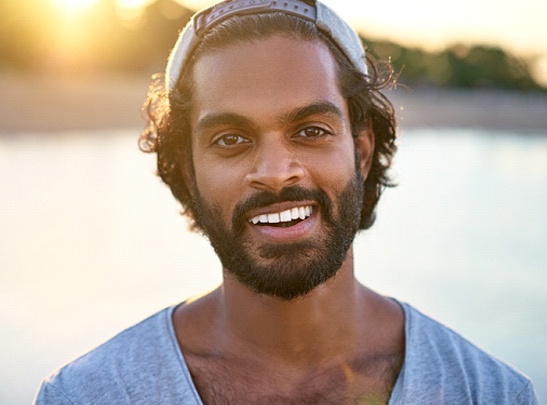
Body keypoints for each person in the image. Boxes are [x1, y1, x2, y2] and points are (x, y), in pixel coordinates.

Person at [34, 0, 537, 403]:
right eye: (231, 139)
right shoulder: (88, 394)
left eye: (311, 130)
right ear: (188, 171)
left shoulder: (489, 392)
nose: (276, 173)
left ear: (361, 152)